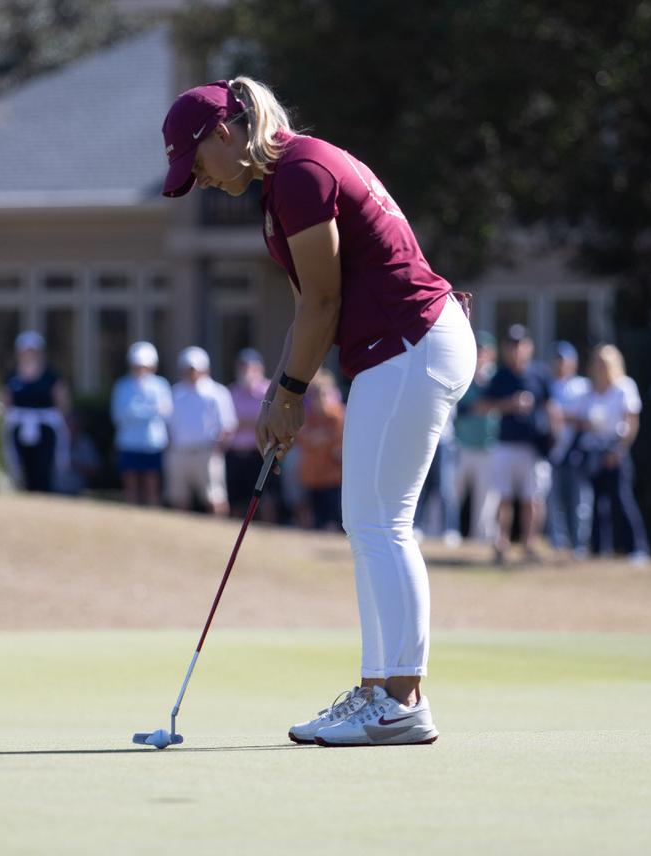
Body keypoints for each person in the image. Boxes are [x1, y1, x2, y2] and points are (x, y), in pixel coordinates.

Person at [160, 76, 475, 747]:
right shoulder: (291, 176)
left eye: (197, 167)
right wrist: (285, 391)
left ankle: (402, 700)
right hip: (407, 345)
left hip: (414, 341)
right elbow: (318, 306)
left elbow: (321, 303)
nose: (201, 182)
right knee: (367, 522)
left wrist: (289, 394)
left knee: (381, 524)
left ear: (224, 132)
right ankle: (376, 691)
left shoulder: (301, 173)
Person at [479, 324, 558, 564]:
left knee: (531, 498)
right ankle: (501, 542)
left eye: (520, 344)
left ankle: (530, 542)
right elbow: (484, 406)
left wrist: (554, 433)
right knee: (503, 497)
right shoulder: (500, 376)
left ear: (529, 347)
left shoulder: (539, 374)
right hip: (506, 444)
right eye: (512, 345)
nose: (516, 350)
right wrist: (509, 405)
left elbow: (550, 406)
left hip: (532, 446)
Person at [574, 344, 650, 562]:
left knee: (622, 499)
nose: (600, 367)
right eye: (597, 363)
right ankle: (599, 548)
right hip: (593, 450)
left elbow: (631, 422)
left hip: (616, 449)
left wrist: (618, 451)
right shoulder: (589, 390)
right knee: (597, 502)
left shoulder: (625, 387)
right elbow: (582, 420)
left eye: (604, 363)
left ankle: (637, 548)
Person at [166, 346, 237, 516]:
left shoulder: (217, 392)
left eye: (194, 369)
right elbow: (168, 423)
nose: (191, 373)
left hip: (207, 451)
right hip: (180, 451)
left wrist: (218, 447)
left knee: (214, 497)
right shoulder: (176, 393)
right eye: (187, 369)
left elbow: (228, 424)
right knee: (179, 497)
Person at [2, 331, 71, 494]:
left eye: (33, 350)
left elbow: (62, 400)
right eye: (26, 350)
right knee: (21, 465)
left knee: (43, 465)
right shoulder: (12, 376)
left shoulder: (50, 375)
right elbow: (6, 400)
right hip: (19, 426)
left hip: (45, 428)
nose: (29, 354)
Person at [453, 331, 501, 544]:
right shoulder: (462, 374)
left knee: (486, 499)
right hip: (463, 444)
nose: (480, 354)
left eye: (484, 350)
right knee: (451, 494)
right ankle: (443, 532)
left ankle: (480, 538)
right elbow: (461, 408)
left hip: (488, 446)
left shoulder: (495, 378)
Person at [111, 340, 170, 507]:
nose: (140, 370)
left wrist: (136, 411)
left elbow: (165, 411)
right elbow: (119, 414)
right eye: (136, 365)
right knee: (131, 485)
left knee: (152, 484)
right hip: (128, 443)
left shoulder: (160, 385)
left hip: (153, 443)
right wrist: (148, 411)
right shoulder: (122, 385)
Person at [547, 340, 593, 555]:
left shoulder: (583, 386)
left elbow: (587, 419)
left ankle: (579, 544)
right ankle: (558, 542)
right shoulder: (548, 385)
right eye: (557, 360)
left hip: (576, 451)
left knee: (580, 501)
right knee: (553, 501)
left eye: (564, 360)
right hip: (552, 451)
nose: (560, 364)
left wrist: (561, 416)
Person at [225, 350, 280, 520]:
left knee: (266, 499)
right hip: (235, 453)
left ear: (260, 368)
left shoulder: (269, 390)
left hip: (261, 453)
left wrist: (244, 422)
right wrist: (251, 422)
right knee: (236, 500)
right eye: (242, 366)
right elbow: (228, 422)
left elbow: (268, 421)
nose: (246, 371)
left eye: (250, 367)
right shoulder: (231, 391)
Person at [296, 369, 345, 530]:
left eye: (323, 394)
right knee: (316, 521)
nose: (319, 399)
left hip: (333, 480)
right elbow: (303, 439)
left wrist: (320, 439)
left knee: (333, 522)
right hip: (312, 478)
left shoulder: (338, 417)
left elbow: (337, 448)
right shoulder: (308, 417)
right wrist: (321, 438)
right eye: (315, 395)